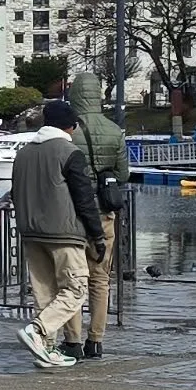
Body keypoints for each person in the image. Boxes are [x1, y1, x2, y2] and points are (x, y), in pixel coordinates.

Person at [11, 99, 107, 371]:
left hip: (31, 232)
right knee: (75, 288)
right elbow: (84, 199)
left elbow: (16, 191)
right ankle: (39, 331)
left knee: (44, 293)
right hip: (64, 233)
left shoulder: (23, 153)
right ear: (71, 126)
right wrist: (96, 236)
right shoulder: (69, 152)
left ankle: (48, 350)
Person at [59, 73, 131, 362]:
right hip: (104, 214)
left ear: (74, 95)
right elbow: (123, 174)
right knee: (100, 279)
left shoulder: (67, 133)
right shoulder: (115, 131)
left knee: (72, 279)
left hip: (72, 214)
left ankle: (72, 340)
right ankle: (96, 341)